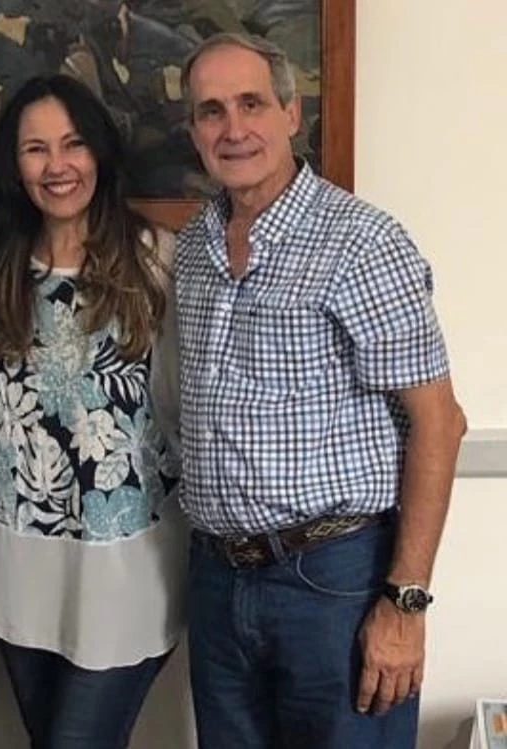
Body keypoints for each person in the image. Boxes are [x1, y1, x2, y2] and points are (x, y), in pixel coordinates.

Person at [175, 32, 467, 749]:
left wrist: (405, 603)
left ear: (291, 112)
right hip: (217, 577)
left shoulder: (361, 242)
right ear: (193, 132)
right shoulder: (193, 247)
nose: (233, 128)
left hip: (333, 582)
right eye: (211, 111)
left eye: (251, 103)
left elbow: (440, 421)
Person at [0, 73, 186, 748]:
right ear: (13, 164)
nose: (57, 166)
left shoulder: (155, 261)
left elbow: (180, 404)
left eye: (73, 144)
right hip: (15, 558)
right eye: (35, 149)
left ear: (100, 153)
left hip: (123, 565)